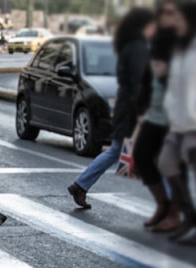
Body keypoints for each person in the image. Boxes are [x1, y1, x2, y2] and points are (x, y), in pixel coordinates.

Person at [68, 8, 156, 208]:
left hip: (128, 108)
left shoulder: (132, 46)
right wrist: (143, 110)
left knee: (119, 151)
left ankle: (80, 185)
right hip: (132, 111)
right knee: (141, 153)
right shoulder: (138, 48)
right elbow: (137, 83)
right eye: (152, 25)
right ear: (144, 26)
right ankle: (171, 204)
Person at [158, 1, 196, 246]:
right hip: (180, 123)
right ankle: (192, 216)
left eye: (181, 20)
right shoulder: (182, 47)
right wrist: (172, 107)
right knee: (166, 162)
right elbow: (175, 83)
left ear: (192, 21)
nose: (177, 24)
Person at [133, 0, 182, 231]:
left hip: (177, 116)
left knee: (173, 165)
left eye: (169, 13)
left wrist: (166, 73)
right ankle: (162, 205)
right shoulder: (158, 41)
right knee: (141, 157)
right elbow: (146, 77)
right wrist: (141, 110)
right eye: (161, 12)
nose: (164, 16)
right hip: (154, 113)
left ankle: (175, 212)